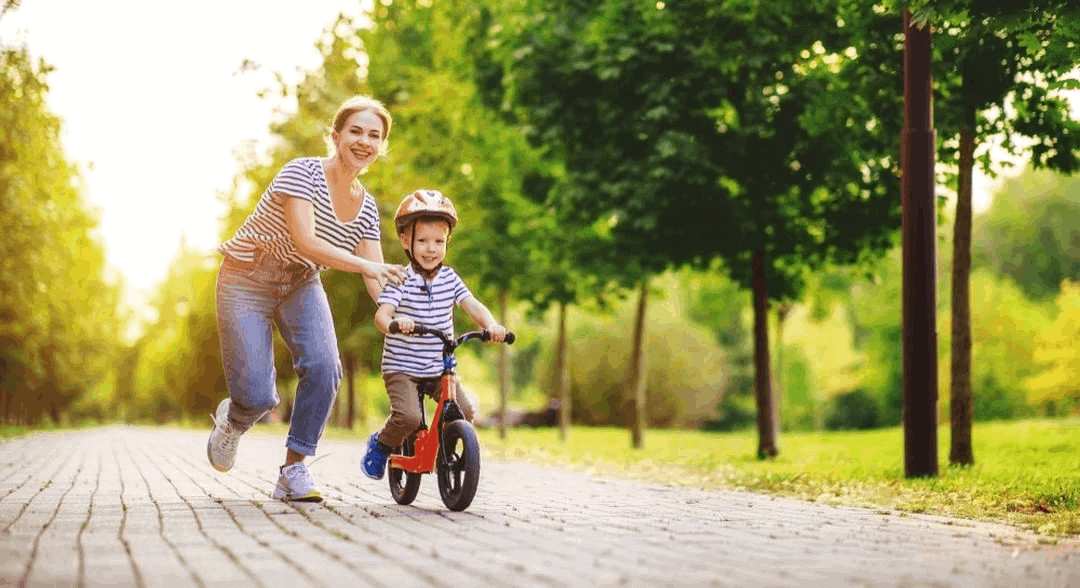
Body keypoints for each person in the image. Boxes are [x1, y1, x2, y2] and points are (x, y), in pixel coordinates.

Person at [208, 95, 407, 502]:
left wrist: (402, 312)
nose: (364, 141)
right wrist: (367, 267)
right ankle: (235, 419)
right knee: (259, 395)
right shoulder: (302, 174)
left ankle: (293, 469)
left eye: (374, 135)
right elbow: (307, 241)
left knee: (325, 367)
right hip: (246, 277)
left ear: (382, 146)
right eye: (355, 131)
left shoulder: (366, 208)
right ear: (336, 136)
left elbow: (378, 279)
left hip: (300, 283)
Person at [360, 189, 507, 480]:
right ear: (406, 241)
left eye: (439, 241)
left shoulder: (450, 278)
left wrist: (492, 325)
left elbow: (472, 305)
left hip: (437, 367)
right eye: (423, 241)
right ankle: (381, 444)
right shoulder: (400, 278)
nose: (431, 249)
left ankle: (444, 452)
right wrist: (394, 321)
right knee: (409, 417)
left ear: (447, 242)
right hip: (402, 368)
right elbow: (381, 315)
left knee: (465, 410)